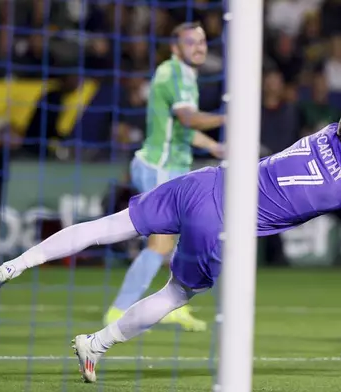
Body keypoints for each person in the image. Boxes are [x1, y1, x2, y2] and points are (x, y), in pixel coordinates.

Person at [0, 105, 341, 383]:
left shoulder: (326, 135)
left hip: (204, 182)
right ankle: (95, 345)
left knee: (110, 225)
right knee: (178, 294)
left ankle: (17, 263)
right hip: (221, 220)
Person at [106, 22, 226, 332]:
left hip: (171, 168)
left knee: (177, 242)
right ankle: (119, 310)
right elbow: (188, 118)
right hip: (158, 167)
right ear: (175, 47)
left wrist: (214, 146)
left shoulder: (184, 75)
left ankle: (169, 305)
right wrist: (230, 117)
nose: (199, 47)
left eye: (202, 42)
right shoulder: (173, 73)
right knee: (161, 243)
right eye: (190, 42)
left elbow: (181, 128)